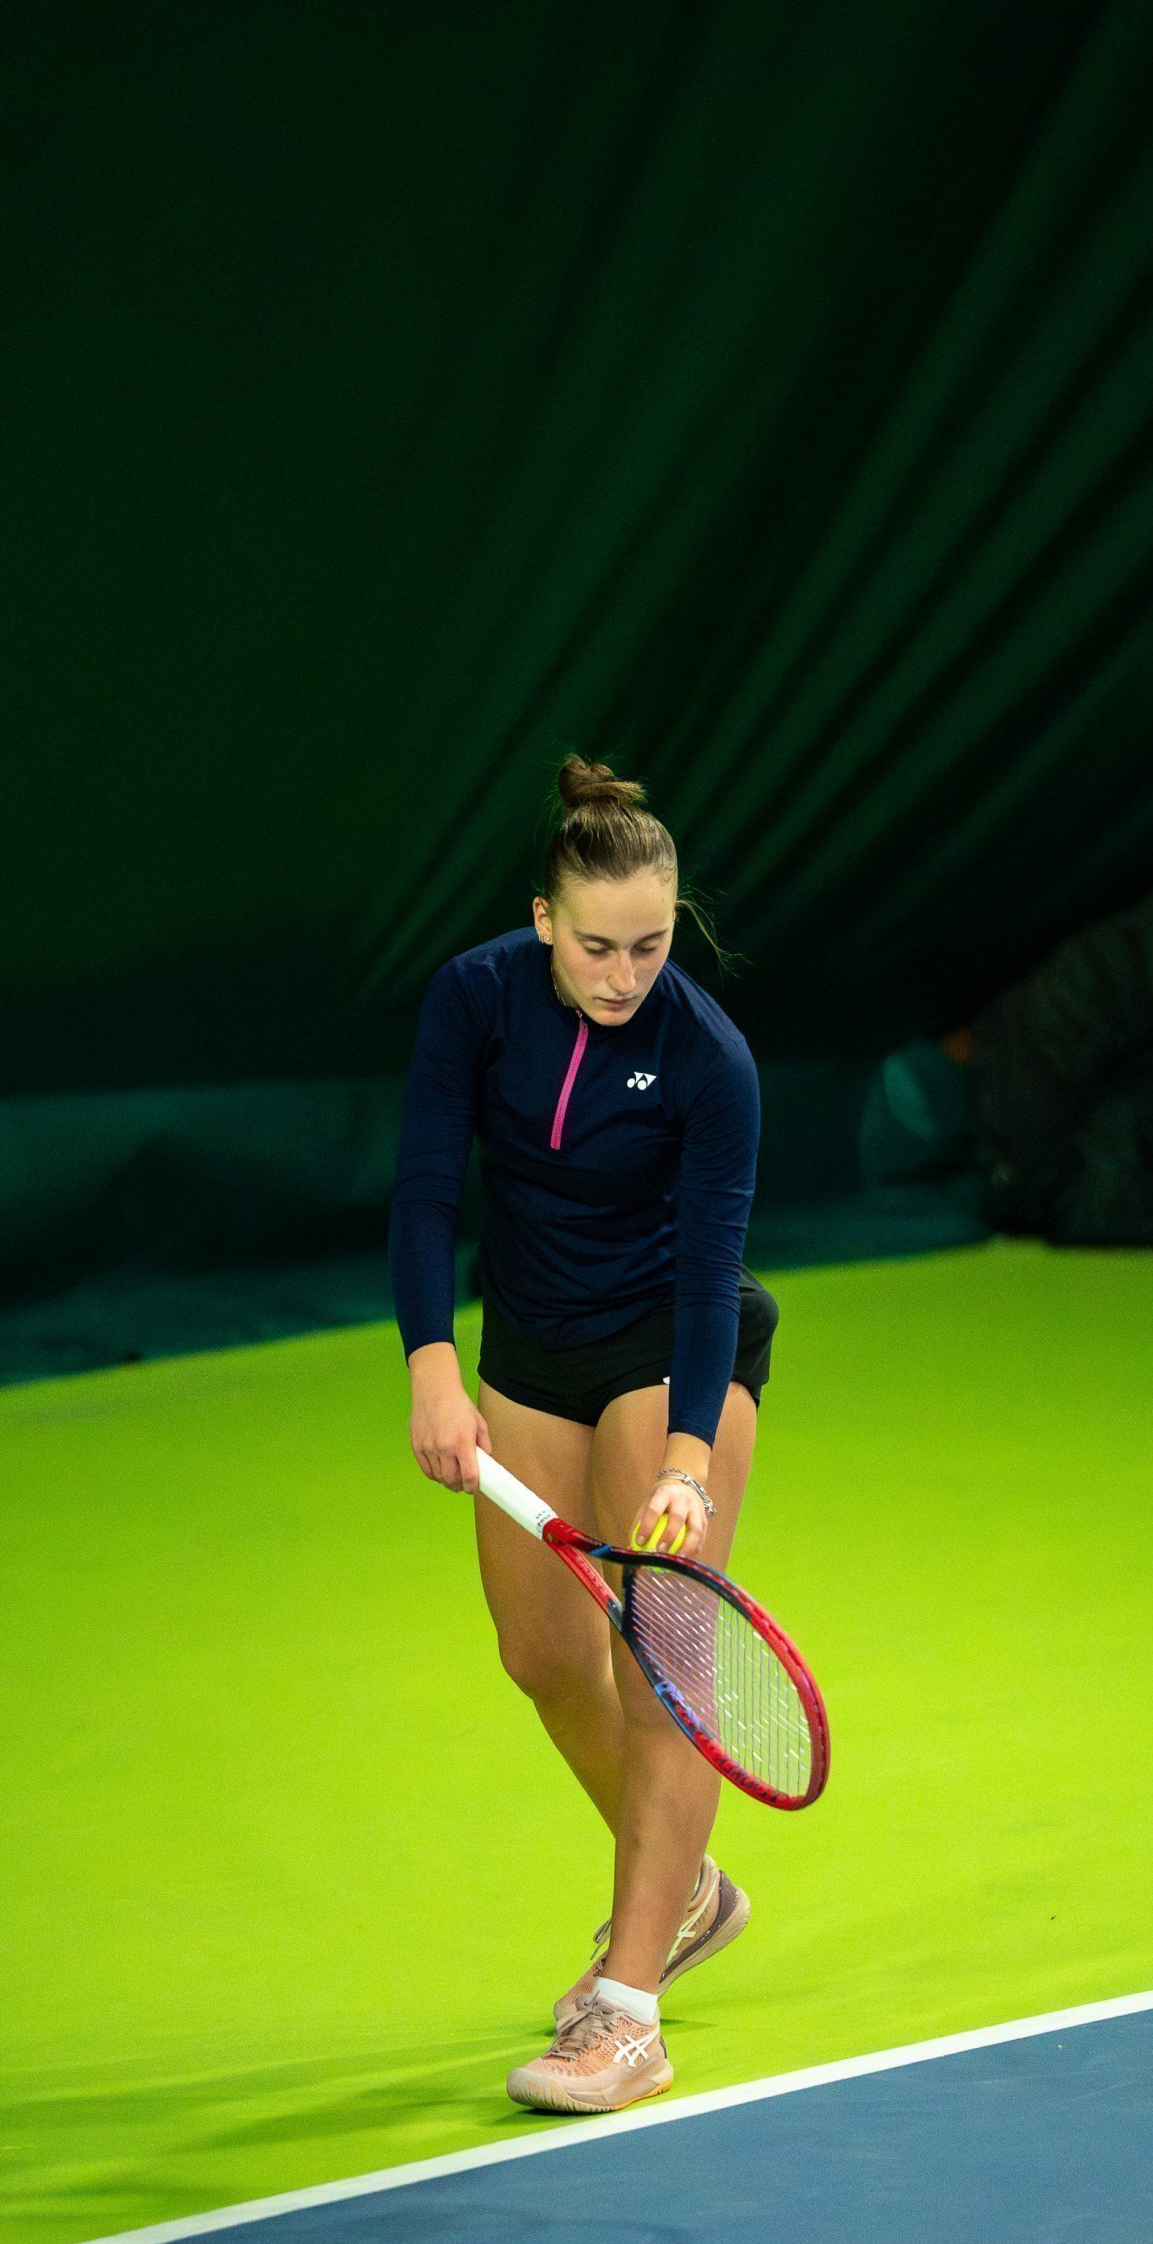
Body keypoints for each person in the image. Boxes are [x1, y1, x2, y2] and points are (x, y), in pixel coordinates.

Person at [388, 756, 778, 2114]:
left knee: (655, 1665)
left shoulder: (710, 1060)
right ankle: (687, 1891)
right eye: (598, 946)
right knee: (542, 1655)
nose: (624, 976)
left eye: (651, 947)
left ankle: (627, 2014)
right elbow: (426, 1192)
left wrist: (686, 1460)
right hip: (530, 1350)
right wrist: (433, 1368)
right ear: (544, 920)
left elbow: (709, 1268)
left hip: (668, 1353)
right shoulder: (473, 998)